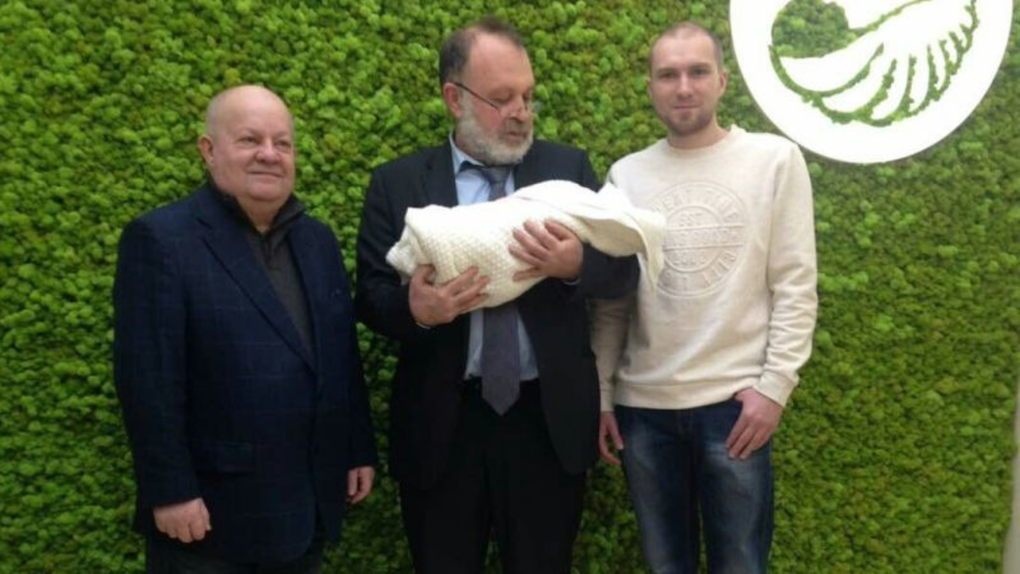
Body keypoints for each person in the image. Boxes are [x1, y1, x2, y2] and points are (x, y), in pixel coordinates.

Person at [355, 17, 638, 574]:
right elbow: (369, 296)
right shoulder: (399, 183)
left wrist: (575, 265)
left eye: (528, 97)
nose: (521, 112)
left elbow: (623, 271)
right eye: (502, 98)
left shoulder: (567, 169)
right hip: (443, 426)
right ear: (453, 98)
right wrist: (416, 310)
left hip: (546, 424)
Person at [113, 85, 377, 573]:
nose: (269, 154)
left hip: (306, 507)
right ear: (208, 150)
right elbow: (147, 380)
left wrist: (355, 447)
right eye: (250, 140)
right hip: (210, 519)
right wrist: (170, 490)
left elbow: (340, 356)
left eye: (283, 143)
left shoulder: (317, 241)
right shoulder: (161, 240)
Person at [592, 22, 818, 574]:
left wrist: (774, 389)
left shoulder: (775, 160)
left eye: (697, 72)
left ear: (722, 80)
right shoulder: (625, 177)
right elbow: (614, 300)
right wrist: (602, 394)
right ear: (650, 86)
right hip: (644, 410)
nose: (684, 87)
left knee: (740, 565)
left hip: (734, 408)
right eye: (668, 75)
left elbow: (794, 283)